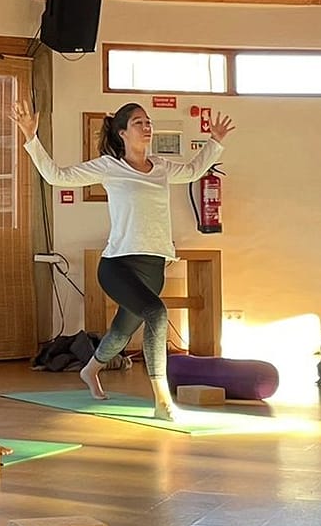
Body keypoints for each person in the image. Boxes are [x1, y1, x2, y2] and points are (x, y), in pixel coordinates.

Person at [13, 99, 233, 420]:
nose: (147, 127)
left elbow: (192, 171)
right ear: (122, 133)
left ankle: (90, 369)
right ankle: (162, 401)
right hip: (118, 265)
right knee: (157, 313)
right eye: (138, 122)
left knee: (121, 332)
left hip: (154, 266)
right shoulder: (109, 167)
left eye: (148, 121)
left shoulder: (161, 167)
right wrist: (31, 137)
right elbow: (56, 176)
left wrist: (214, 141)